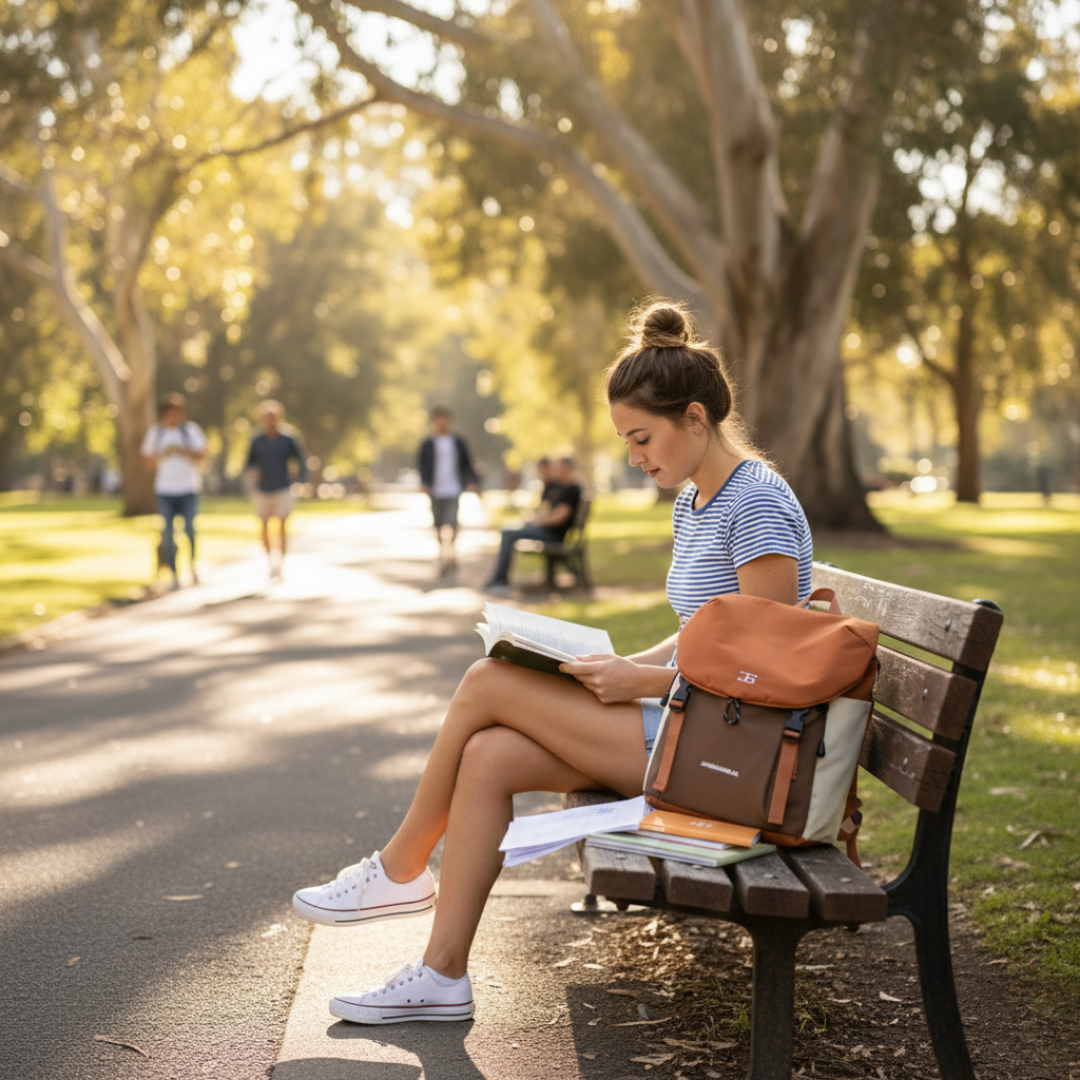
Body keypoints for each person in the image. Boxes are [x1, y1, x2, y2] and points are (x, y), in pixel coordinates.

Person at [290, 301, 812, 1025]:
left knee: (486, 681)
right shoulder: (697, 499)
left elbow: (769, 667)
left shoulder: (753, 504)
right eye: (627, 441)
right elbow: (706, 636)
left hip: (733, 757)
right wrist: (622, 665)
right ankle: (442, 976)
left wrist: (646, 682)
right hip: (690, 724)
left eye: (641, 437)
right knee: (490, 756)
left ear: (696, 418)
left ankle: (402, 867)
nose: (634, 457)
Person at [483, 456, 582, 593]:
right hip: (546, 530)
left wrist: (536, 521)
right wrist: (534, 518)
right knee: (509, 528)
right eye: (556, 468)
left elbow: (559, 517)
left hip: (553, 535)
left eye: (560, 468)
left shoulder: (572, 490)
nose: (557, 472)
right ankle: (499, 579)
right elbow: (547, 510)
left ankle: (500, 580)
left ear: (569, 469)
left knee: (508, 533)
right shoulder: (559, 487)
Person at [140, 392, 207, 590]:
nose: (174, 417)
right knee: (167, 532)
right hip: (165, 489)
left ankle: (193, 565)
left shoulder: (190, 431)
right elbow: (148, 463)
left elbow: (202, 456)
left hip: (188, 487)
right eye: (170, 413)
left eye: (178, 413)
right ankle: (174, 574)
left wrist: (182, 451)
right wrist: (163, 453)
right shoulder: (156, 434)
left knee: (190, 529)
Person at [245, 400, 307, 582]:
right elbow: (249, 463)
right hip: (263, 489)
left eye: (273, 417)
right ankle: (270, 562)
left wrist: (300, 480)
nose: (270, 421)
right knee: (263, 527)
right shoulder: (256, 440)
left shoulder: (288, 439)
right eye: (266, 418)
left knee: (282, 525)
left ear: (279, 418)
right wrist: (252, 472)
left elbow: (301, 460)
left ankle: (280, 564)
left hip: (283, 487)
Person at [418, 406, 480, 574]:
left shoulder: (458, 442)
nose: (442, 422)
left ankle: (451, 550)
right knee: (437, 521)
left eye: (445, 419)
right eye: (439, 419)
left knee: (452, 520)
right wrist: (424, 483)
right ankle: (441, 550)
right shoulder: (428, 444)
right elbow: (422, 465)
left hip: (454, 488)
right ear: (434, 422)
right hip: (435, 488)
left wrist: (473, 481)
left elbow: (467, 463)